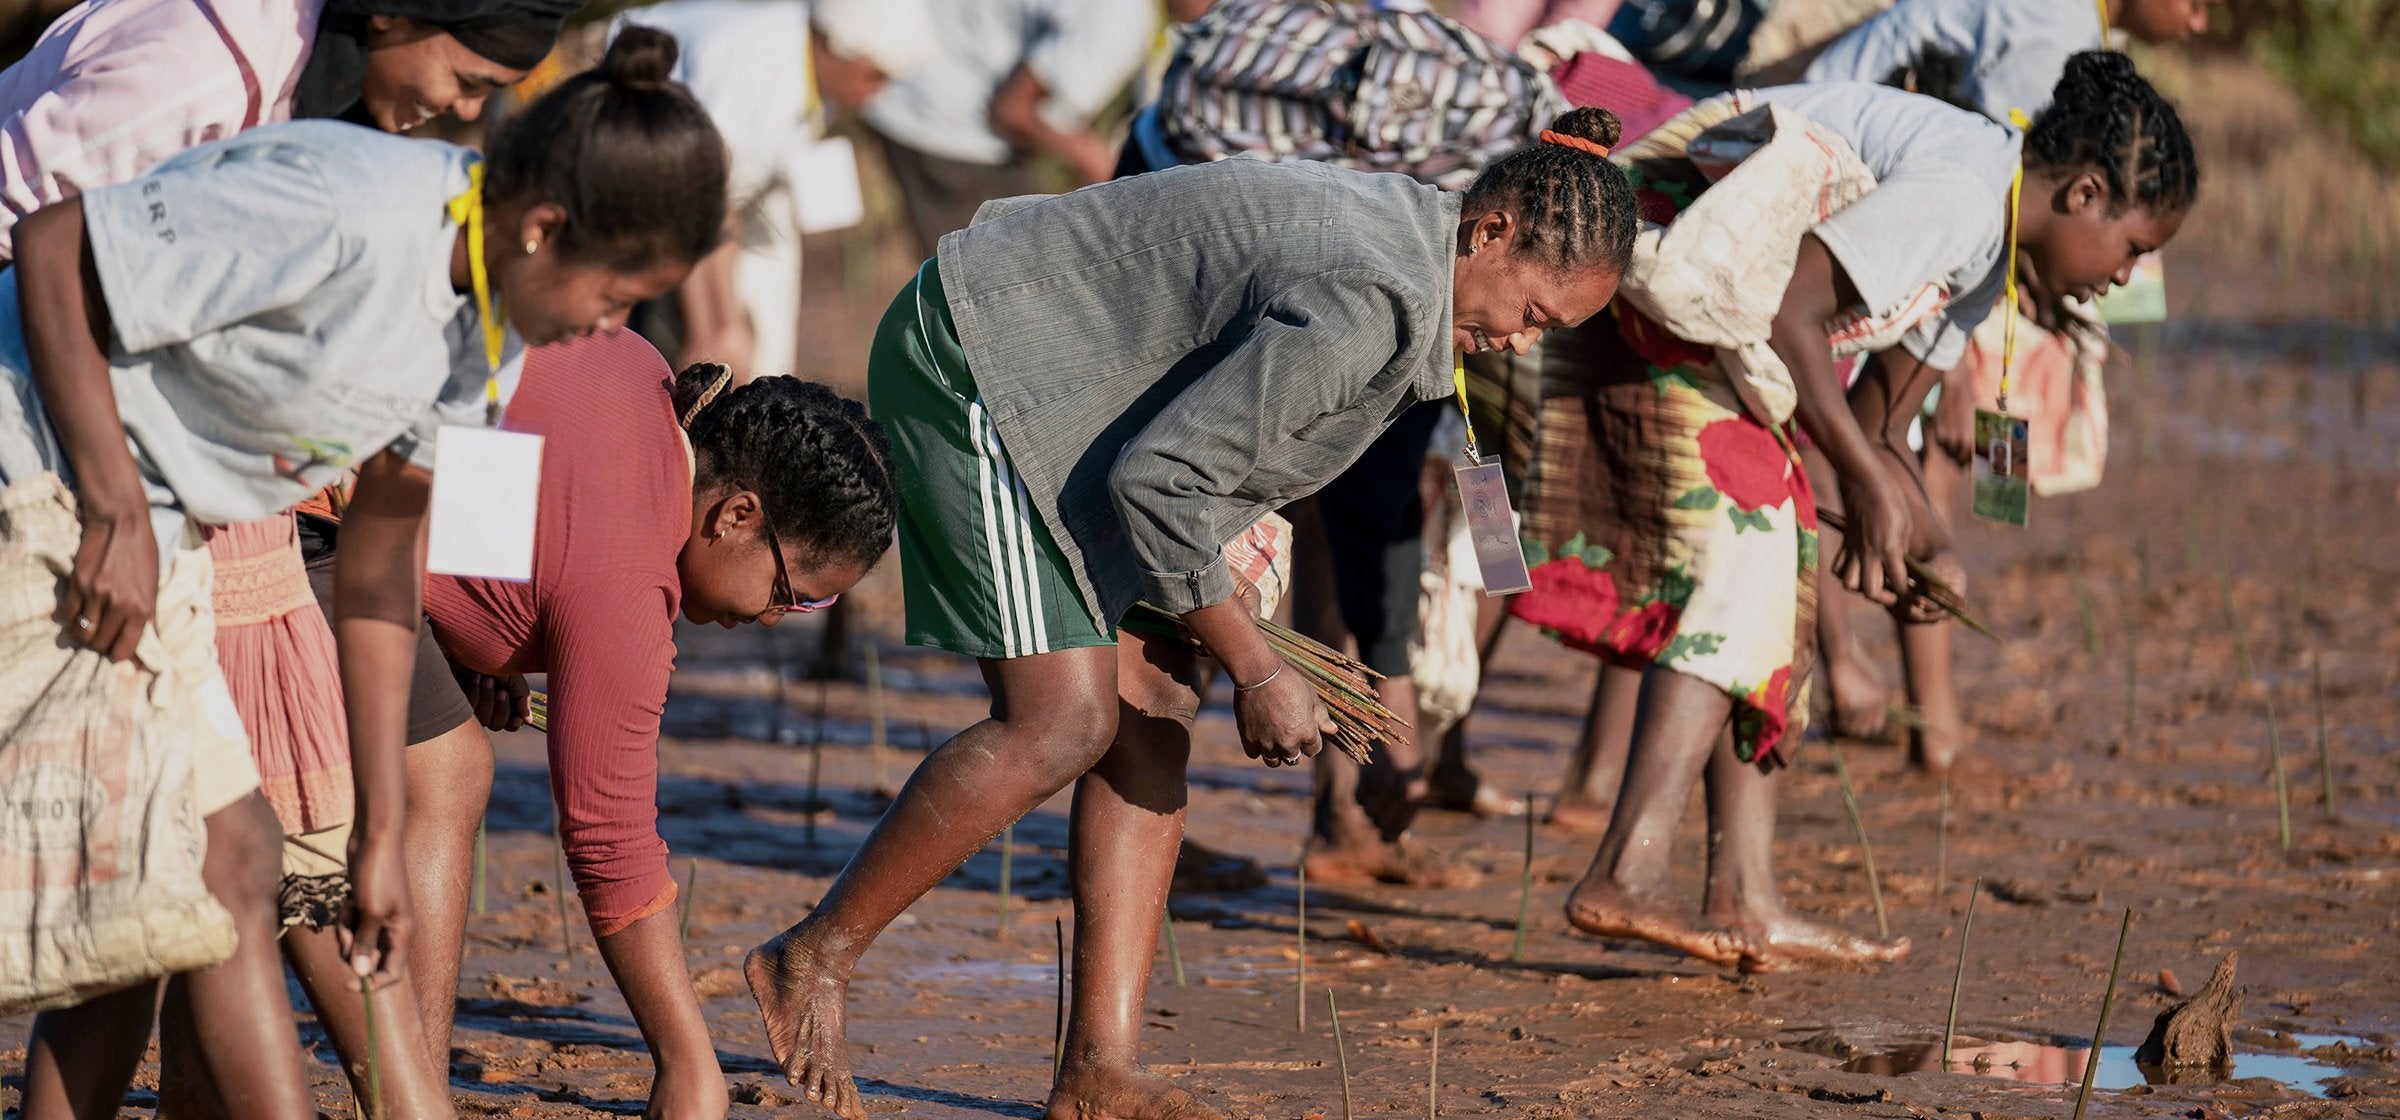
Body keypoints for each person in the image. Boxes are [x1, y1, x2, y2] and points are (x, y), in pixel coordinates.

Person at [741, 106, 1637, 1120]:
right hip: (983, 365)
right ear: (1493, 233)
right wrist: (1259, 668)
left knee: (1155, 711)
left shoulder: (1415, 252)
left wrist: (1225, 602)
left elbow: (1217, 439)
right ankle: (810, 956)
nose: (1521, 345)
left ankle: (1097, 1071)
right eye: (1535, 316)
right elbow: (1162, 483)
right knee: (1062, 720)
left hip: (1086, 393)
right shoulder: (1376, 296)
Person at [0, 26, 727, 1118]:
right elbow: (55, 248)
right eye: (618, 296)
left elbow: (384, 567)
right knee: (185, 878)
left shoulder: (494, 339)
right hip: (42, 469)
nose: (613, 330)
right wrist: (110, 507)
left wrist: (383, 832)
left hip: (165, 520)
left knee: (218, 872)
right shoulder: (352, 204)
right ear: (542, 230)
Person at [1510, 52, 2196, 970]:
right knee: (1752, 540)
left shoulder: (1986, 265)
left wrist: (1929, 546)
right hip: (1649, 257)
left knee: (1778, 545)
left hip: (1718, 323)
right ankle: (1624, 871)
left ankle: (1745, 897)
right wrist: (1874, 494)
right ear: (2084, 194)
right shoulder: (1967, 188)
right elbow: (1797, 315)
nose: (2127, 277)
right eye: (2135, 247)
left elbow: (1876, 426)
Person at [310, 336, 895, 1118]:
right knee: (443, 776)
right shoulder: (631, 579)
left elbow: (495, 456)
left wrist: (476, 635)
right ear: (736, 514)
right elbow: (608, 838)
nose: (774, 617)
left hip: (312, 471)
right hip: (294, 519)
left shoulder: (636, 371)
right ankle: (409, 1099)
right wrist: (687, 1062)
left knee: (449, 762)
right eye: (794, 592)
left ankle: (388, 1090)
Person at [615, 0, 934, 377]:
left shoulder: (810, 67)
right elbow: (696, 200)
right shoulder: (751, 69)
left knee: (750, 342)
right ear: (835, 47)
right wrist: (716, 328)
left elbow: (728, 198)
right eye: (874, 76)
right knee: (705, 348)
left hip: (703, 200)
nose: (877, 94)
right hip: (638, 182)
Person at [861, 0, 1157, 254]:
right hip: (946, 130)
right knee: (982, 292)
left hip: (923, 93)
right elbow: (1011, 110)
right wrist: (1094, 158)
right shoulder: (1119, 18)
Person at [1805, 0, 2208, 122]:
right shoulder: (2057, 27)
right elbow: (1997, 156)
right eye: (2197, 4)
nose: (2199, 24)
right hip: (1831, 127)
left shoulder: (2084, 23)